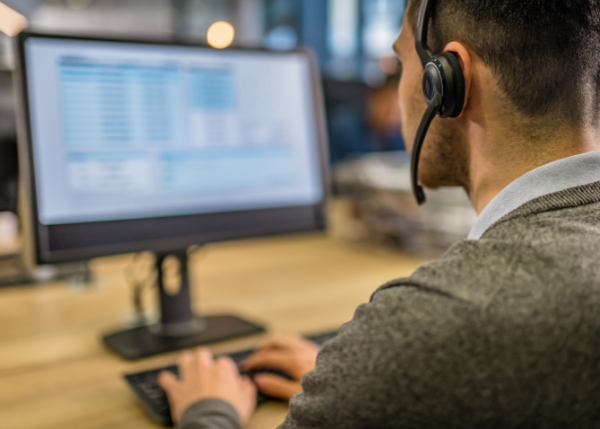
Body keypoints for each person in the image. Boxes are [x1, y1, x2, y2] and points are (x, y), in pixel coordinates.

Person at [159, 0, 600, 427]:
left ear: (447, 82)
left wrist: (209, 411)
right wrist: (370, 382)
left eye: (402, 60)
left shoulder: (426, 328)